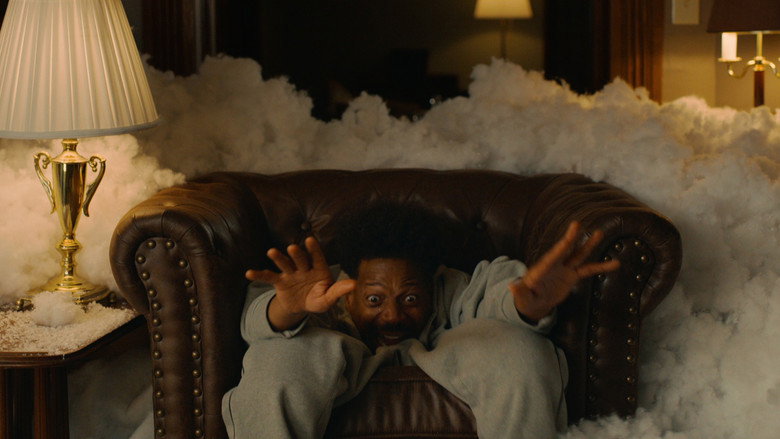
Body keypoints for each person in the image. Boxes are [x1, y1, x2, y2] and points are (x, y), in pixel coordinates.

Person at [222, 202, 619, 439]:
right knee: (276, 356)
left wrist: (528, 304)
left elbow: (498, 294)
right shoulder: (324, 291)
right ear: (350, 289)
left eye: (410, 299)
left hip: (453, 351)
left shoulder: (454, 288)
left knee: (522, 348)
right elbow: (257, 323)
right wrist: (288, 309)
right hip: (324, 356)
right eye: (374, 300)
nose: (393, 315)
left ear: (433, 284)